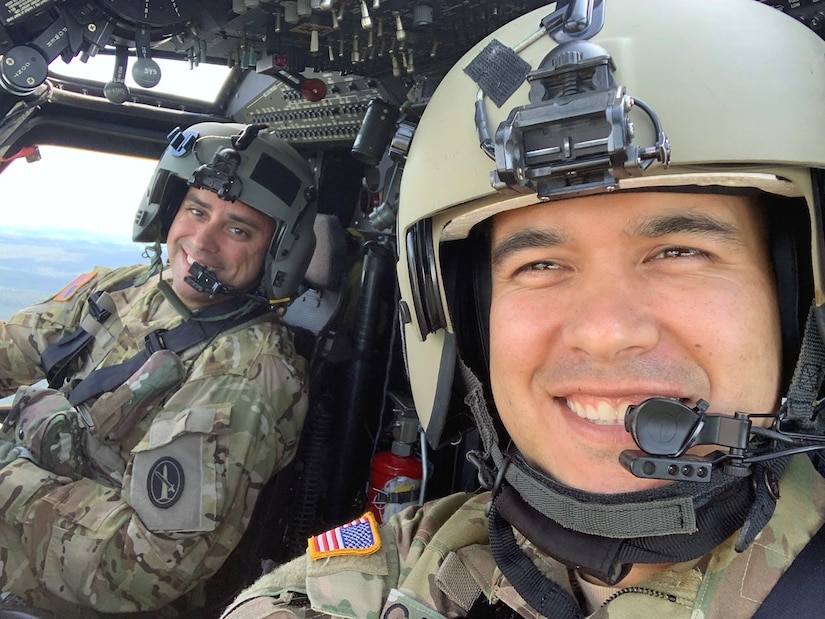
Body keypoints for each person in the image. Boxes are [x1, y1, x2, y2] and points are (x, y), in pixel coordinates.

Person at [219, 0, 825, 617]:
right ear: (461, 316)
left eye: (678, 251)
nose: (605, 332)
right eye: (540, 265)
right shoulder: (379, 577)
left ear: (803, 294)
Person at [0, 121, 317, 616]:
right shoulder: (126, 287)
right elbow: (13, 345)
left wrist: (7, 478)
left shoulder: (245, 374)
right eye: (196, 210)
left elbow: (143, 570)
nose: (203, 241)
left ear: (277, 252)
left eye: (238, 229)